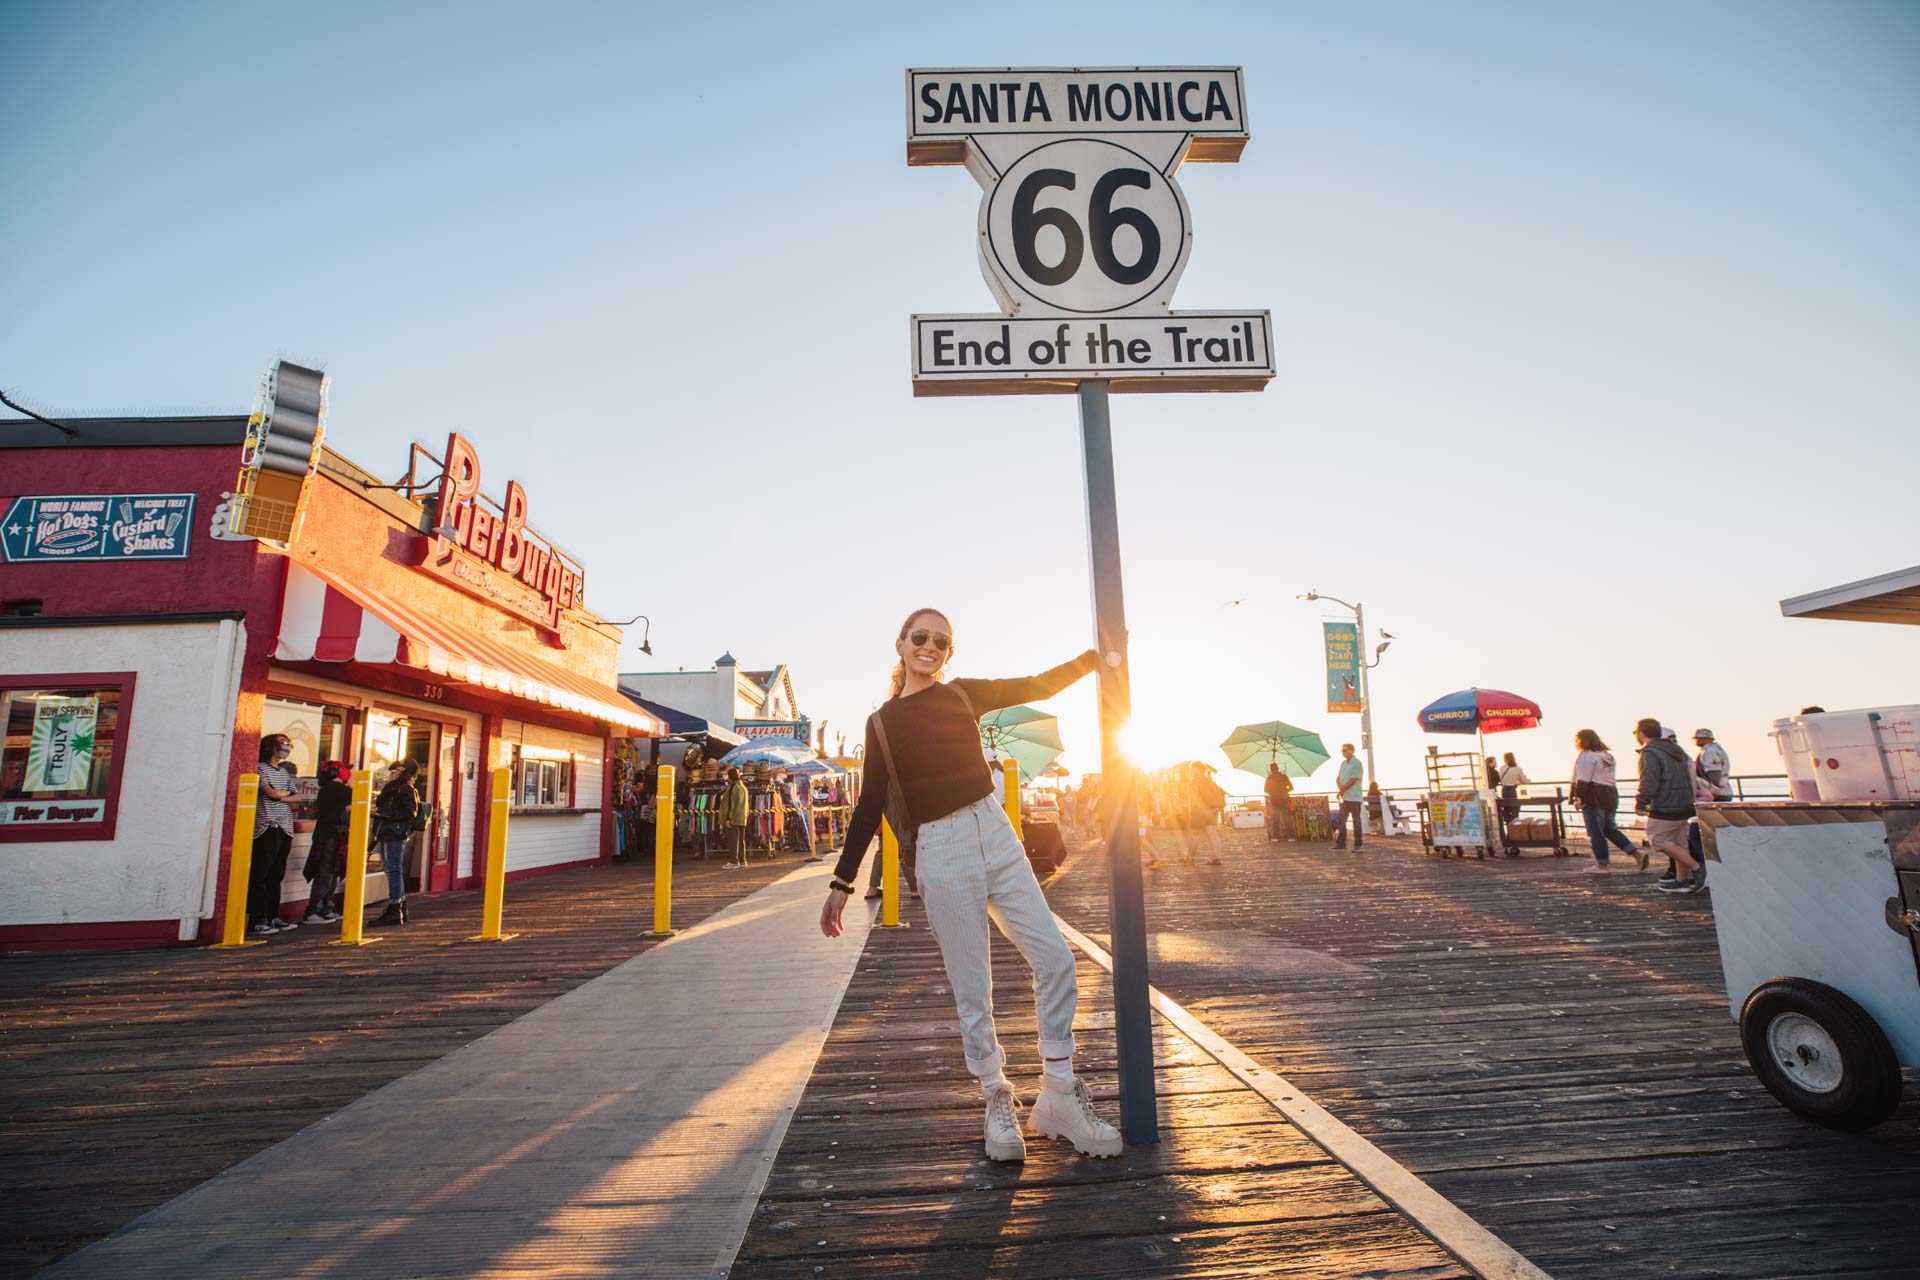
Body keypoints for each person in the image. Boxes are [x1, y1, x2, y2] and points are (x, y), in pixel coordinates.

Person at [821, 607, 1122, 1162]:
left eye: (941, 640)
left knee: (1055, 959)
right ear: (901, 644)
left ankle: (1059, 1092)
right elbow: (867, 807)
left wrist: (1096, 659)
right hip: (941, 850)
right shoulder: (882, 723)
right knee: (973, 989)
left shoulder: (962, 695)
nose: (929, 646)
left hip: (997, 835)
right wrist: (843, 880)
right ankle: (995, 1095)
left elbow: (1034, 684)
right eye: (920, 637)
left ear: (949, 651)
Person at [1634, 719, 1703, 894]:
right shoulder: (1675, 750)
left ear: (1641, 734)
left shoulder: (1650, 752)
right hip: (1685, 802)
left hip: (1666, 804)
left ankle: (1698, 868)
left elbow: (1649, 780)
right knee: (1679, 842)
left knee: (1657, 839)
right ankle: (1682, 881)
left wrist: (1642, 801)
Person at [248, 734, 300, 934]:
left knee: (276, 874)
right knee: (261, 873)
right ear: (271, 747)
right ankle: (257, 919)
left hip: (285, 828)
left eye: (288, 743)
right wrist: (282, 795)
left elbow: (296, 796)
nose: (286, 747)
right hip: (265, 827)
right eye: (282, 743)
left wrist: (282, 796)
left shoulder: (284, 773)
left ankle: (273, 916)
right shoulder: (260, 768)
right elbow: (270, 793)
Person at [1570, 730, 1642, 873]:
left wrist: (1578, 798)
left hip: (1593, 796)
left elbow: (1583, 780)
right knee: (1610, 829)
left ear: (1581, 740)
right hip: (1610, 795)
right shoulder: (1607, 756)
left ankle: (1602, 865)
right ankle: (1636, 854)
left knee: (1595, 832)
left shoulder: (1587, 756)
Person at [300, 761, 352, 923]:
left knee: (332, 873)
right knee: (326, 872)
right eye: (345, 770)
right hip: (329, 835)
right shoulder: (335, 789)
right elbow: (359, 799)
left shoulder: (330, 789)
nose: (348, 773)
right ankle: (312, 911)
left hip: (333, 833)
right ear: (335, 772)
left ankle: (326, 908)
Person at [371, 760, 418, 925]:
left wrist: (382, 812)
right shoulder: (393, 788)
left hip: (395, 833)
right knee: (391, 869)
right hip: (388, 832)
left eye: (397, 770)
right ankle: (400, 906)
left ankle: (395, 907)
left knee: (393, 869)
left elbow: (409, 812)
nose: (392, 773)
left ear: (406, 772)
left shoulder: (405, 789)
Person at [1181, 762, 1225, 866]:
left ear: (1195, 770)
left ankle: (1190, 858)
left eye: (1192, 769)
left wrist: (1192, 810)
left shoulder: (1194, 782)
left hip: (1199, 812)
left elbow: (1194, 798)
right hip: (1212, 811)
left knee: (1193, 835)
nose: (1191, 771)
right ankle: (1217, 858)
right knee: (1213, 834)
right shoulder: (1210, 782)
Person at [1332, 743, 1365, 850]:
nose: (1344, 752)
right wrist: (1339, 787)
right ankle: (1341, 843)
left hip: (1354, 797)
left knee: (1356, 821)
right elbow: (1338, 777)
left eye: (1346, 750)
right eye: (1342, 751)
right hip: (1344, 797)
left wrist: (1342, 789)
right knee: (1342, 820)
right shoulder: (1343, 764)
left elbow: (1353, 780)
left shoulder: (1357, 763)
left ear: (1352, 750)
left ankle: (1358, 844)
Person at [721, 767, 750, 869]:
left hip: (734, 818)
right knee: (741, 840)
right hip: (742, 818)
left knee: (733, 840)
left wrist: (728, 818)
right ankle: (742, 860)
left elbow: (731, 804)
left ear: (730, 777)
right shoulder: (743, 787)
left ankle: (734, 861)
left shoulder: (733, 787)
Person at [1693, 729, 1732, 801]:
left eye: (1699, 738)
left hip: (1717, 794)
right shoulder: (1717, 749)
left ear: (1706, 739)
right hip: (1724, 790)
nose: (1696, 740)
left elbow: (1714, 776)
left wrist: (1712, 791)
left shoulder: (1709, 752)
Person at [1263, 764, 1294, 842]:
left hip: (1274, 800)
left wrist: (1273, 792)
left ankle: (1275, 837)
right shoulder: (1284, 777)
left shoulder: (1269, 778)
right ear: (1278, 768)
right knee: (1287, 819)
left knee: (1275, 819)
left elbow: (1266, 790)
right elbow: (1291, 787)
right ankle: (1291, 837)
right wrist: (1285, 791)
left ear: (1271, 770)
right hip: (1285, 799)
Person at [1498, 752, 1529, 822]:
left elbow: (1501, 779)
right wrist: (1528, 781)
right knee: (1515, 809)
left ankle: (1508, 826)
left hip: (1504, 790)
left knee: (1507, 808)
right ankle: (1515, 825)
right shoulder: (1517, 768)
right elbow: (1524, 780)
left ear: (1505, 759)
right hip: (1513, 790)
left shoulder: (1502, 768)